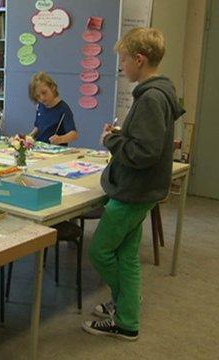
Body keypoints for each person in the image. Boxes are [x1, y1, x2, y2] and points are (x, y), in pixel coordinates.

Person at [82, 28, 185, 340]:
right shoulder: (158, 92)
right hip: (142, 190)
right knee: (126, 256)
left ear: (139, 60)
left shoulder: (151, 98)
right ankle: (127, 317)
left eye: (123, 60)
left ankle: (125, 307)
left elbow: (144, 152)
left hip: (133, 191)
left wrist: (112, 140)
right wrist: (122, 136)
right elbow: (145, 142)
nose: (122, 66)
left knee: (100, 251)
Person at [28, 71, 79, 145]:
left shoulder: (63, 109)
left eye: (44, 92)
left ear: (52, 87)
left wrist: (60, 139)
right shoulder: (40, 106)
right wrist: (30, 136)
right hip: (40, 148)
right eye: (38, 96)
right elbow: (38, 127)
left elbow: (74, 135)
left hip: (55, 151)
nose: (42, 98)